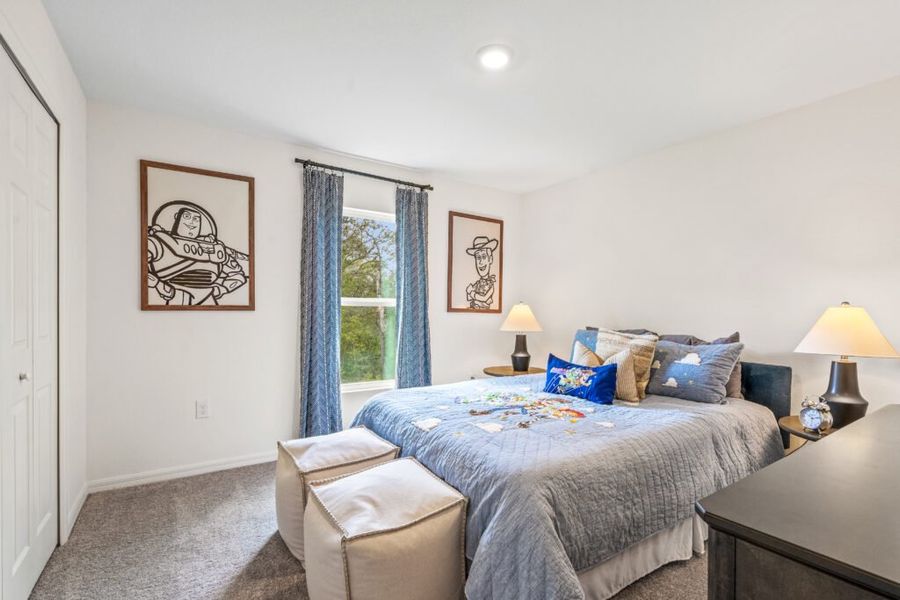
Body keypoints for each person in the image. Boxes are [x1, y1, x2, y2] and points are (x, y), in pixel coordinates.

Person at [147, 201, 249, 305]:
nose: (192, 222)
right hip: (177, 300)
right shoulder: (158, 242)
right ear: (177, 217)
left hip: (208, 301)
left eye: (196, 219)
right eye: (187, 216)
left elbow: (238, 275)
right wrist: (161, 286)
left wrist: (219, 290)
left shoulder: (215, 249)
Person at [465, 236, 498, 309]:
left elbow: (484, 298)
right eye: (478, 258)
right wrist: (469, 291)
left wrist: (471, 293)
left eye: (483, 257)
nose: (480, 262)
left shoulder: (491, 284)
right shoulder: (477, 283)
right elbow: (468, 298)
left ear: (490, 259)